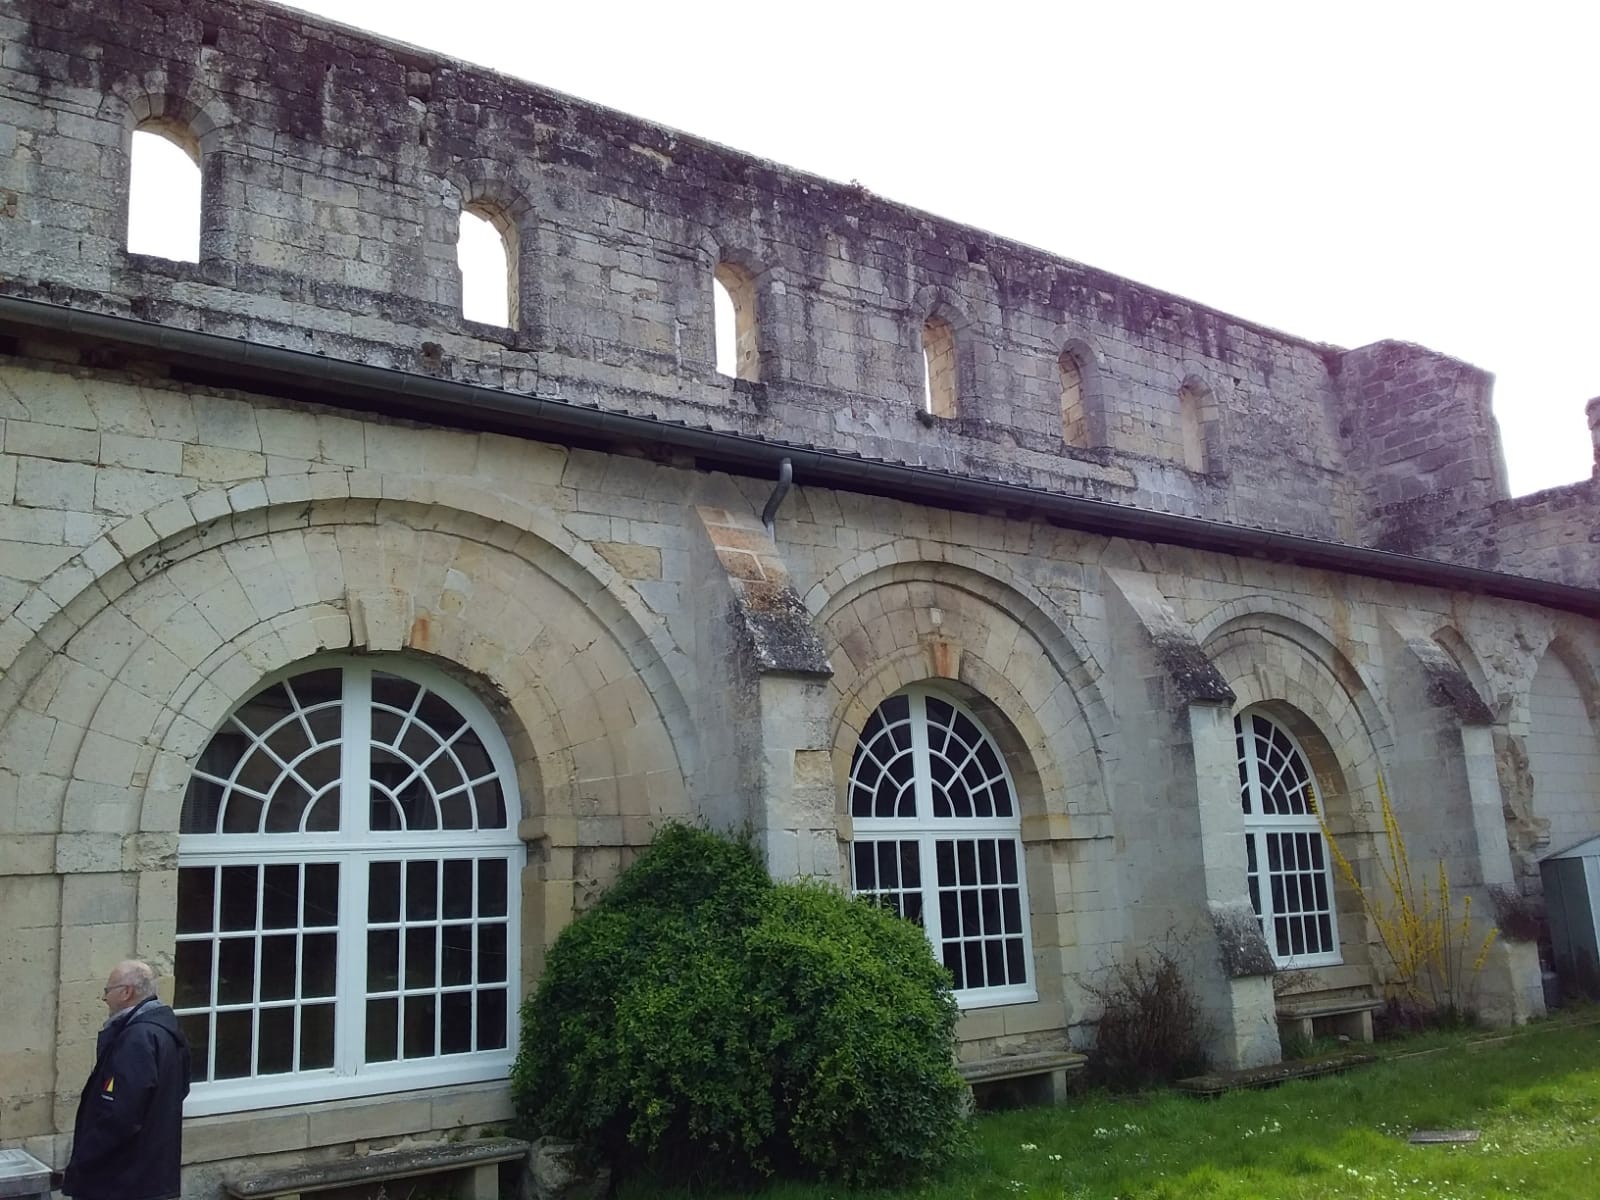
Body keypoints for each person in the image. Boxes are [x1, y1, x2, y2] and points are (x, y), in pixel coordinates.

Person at [62, 960, 192, 1200]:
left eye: (107, 991)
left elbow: (120, 1115)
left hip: (122, 1182)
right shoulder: (167, 1031)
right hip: (152, 1177)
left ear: (126, 992)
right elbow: (182, 1088)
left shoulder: (136, 1039)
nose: (104, 998)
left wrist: (83, 1158)